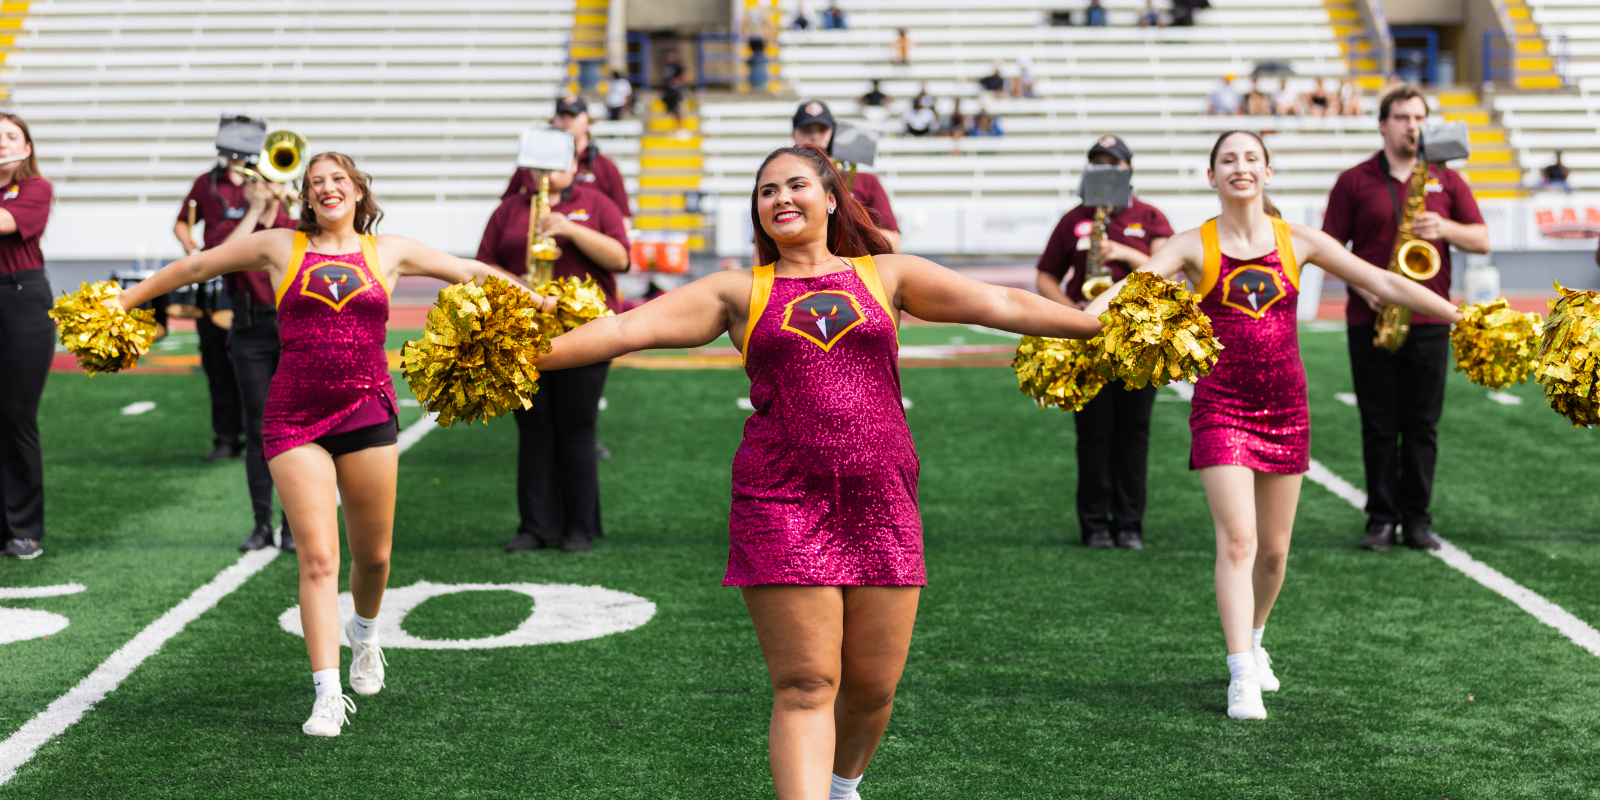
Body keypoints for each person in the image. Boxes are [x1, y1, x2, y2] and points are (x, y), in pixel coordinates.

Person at [533, 141, 1102, 800]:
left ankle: (841, 786)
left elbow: (999, 304)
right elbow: (622, 331)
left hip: (883, 499)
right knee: (806, 686)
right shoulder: (738, 291)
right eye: (767, 190)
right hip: (780, 500)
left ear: (831, 199)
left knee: (872, 689)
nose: (781, 198)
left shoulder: (887, 275)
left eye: (796, 185)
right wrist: (520, 357)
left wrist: (1096, 327)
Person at [114, 152, 543, 736]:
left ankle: (364, 635)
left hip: (367, 411)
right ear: (306, 197)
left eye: (338, 179)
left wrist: (540, 303)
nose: (326, 188)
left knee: (375, 557)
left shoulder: (387, 250)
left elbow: (468, 270)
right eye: (315, 182)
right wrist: (123, 302)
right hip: (294, 417)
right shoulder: (279, 246)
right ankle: (327, 694)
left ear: (358, 190)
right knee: (318, 560)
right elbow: (197, 265)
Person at [1084, 130, 1464, 720]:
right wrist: (1065, 325)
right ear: (1212, 176)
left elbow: (1384, 282)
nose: (1240, 167)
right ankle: (1241, 674)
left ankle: (1256, 639)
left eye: (1251, 158)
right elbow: (1126, 291)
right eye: (1227, 159)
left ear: (1267, 172)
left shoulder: (1298, 240)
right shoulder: (1192, 245)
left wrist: (1459, 315)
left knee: (1274, 553)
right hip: (1220, 407)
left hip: (1286, 408)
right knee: (1239, 540)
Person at [1321, 85, 1490, 553]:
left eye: (1418, 118)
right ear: (1383, 124)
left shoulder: (1446, 179)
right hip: (1370, 319)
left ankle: (1417, 520)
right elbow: (1328, 250)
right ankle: (1380, 519)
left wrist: (1446, 227)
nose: (1412, 127)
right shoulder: (1353, 180)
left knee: (1422, 426)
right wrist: (1364, 287)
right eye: (1401, 117)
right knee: (1378, 425)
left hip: (1430, 323)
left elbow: (1481, 240)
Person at [477, 154, 630, 553]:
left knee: (578, 430)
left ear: (575, 165)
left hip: (586, 333)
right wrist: (515, 282)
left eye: (557, 162)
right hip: (522, 333)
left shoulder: (597, 204)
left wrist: (570, 229)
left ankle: (580, 528)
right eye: (539, 164)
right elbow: (481, 266)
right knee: (533, 430)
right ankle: (534, 527)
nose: (547, 172)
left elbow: (621, 259)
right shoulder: (508, 210)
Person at [1036, 136, 1173, 549]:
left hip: (1138, 340)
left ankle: (1129, 524)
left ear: (1129, 169)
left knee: (1134, 431)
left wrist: (1123, 252)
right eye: (1097, 163)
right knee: (1093, 432)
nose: (1106, 170)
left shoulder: (1149, 216)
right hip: (1088, 340)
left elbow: (1167, 273)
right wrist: (1071, 314)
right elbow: (1046, 276)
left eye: (1114, 163)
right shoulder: (1074, 218)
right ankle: (1094, 524)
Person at [175, 138, 300, 552]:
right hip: (249, 332)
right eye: (256, 179)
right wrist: (254, 211)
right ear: (244, 186)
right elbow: (219, 257)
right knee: (259, 427)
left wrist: (292, 204)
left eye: (270, 178)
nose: (264, 185)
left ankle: (292, 526)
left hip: (293, 331)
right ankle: (262, 524)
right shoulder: (231, 226)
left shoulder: (296, 222)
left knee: (296, 429)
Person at [0, 114, 52, 561]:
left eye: (11, 136)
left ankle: (24, 529)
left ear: (27, 147)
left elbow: (5, 223)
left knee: (16, 416)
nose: (2, 143)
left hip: (21, 301)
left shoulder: (36, 188)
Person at [503, 96, 632, 231]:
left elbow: (623, 220)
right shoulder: (531, 165)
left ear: (587, 122)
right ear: (553, 120)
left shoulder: (606, 167)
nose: (567, 121)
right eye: (562, 116)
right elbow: (506, 208)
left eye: (573, 116)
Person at [792, 100, 902, 253]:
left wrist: (851, 228)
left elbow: (894, 244)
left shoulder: (867, 182)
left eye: (822, 130)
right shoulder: (784, 183)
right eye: (807, 131)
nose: (815, 137)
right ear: (794, 135)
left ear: (833, 133)